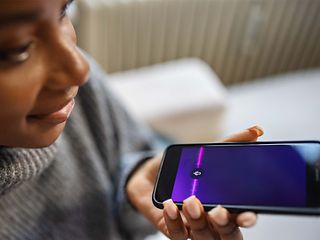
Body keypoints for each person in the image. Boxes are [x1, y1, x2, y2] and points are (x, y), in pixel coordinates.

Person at [0, 0, 263, 239]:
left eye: (62, 12)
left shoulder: (84, 95)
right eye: (19, 49)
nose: (80, 69)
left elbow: (128, 159)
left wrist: (133, 185)